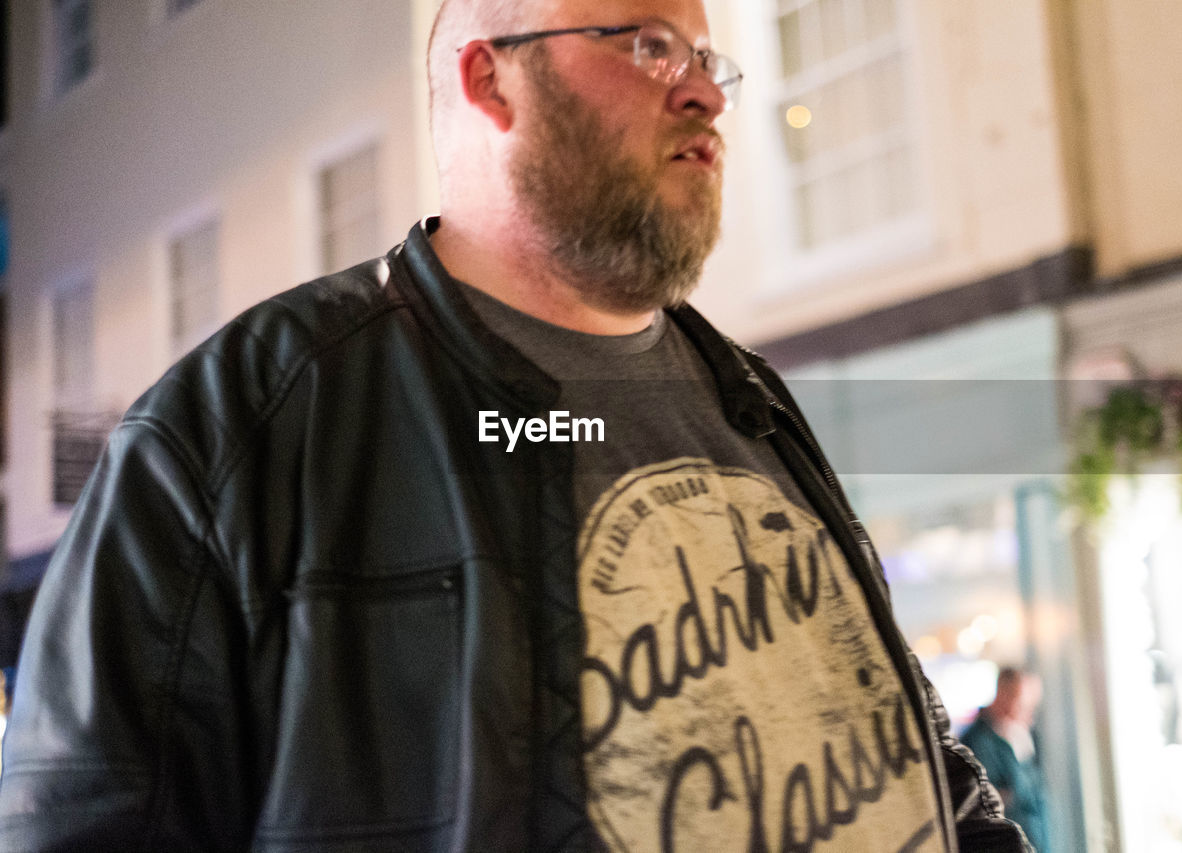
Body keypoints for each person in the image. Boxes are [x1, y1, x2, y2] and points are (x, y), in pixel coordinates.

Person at [0, 0, 1030, 850]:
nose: (705, 89)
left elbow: (906, 750)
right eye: (645, 43)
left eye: (708, 58)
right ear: (491, 80)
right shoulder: (240, 428)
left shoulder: (748, 400)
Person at [961, 668, 1049, 852]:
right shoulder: (977, 740)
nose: (1028, 714)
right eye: (1022, 704)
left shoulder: (1024, 735)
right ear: (1003, 693)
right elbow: (989, 800)